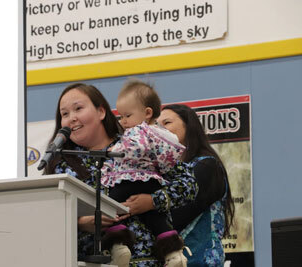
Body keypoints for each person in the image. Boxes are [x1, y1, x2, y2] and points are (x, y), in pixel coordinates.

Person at [44, 83, 198, 267]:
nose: (72, 118)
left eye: (78, 108)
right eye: (65, 114)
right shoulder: (62, 165)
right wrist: (81, 222)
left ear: (101, 112)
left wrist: (152, 201)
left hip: (149, 262)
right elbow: (48, 219)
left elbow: (189, 185)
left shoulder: (139, 144)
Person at [100, 80, 188, 267]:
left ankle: (118, 246)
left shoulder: (137, 132)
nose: (123, 122)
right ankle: (174, 253)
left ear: (147, 113)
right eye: (120, 117)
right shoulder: (162, 134)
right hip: (152, 182)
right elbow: (169, 157)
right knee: (156, 219)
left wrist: (114, 152)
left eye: (127, 116)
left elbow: (134, 148)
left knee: (111, 206)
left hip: (128, 180)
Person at [154, 104, 235, 266]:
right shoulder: (163, 172)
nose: (159, 129)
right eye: (156, 125)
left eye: (167, 123)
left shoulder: (207, 166)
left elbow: (177, 215)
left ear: (189, 127)